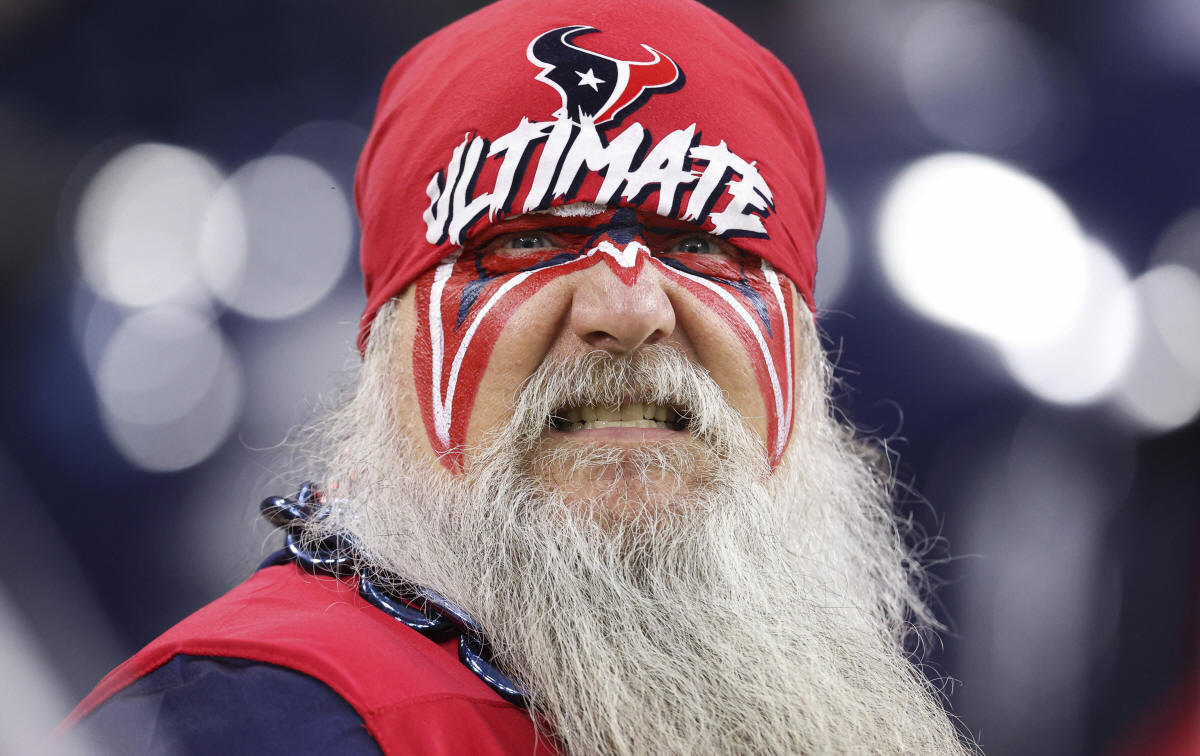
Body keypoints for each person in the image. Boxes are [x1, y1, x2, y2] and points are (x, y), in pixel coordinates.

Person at [63, 0, 977, 753]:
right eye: (531, 239)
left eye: (703, 241)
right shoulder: (249, 720)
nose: (629, 308)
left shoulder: (826, 708)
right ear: (391, 342)